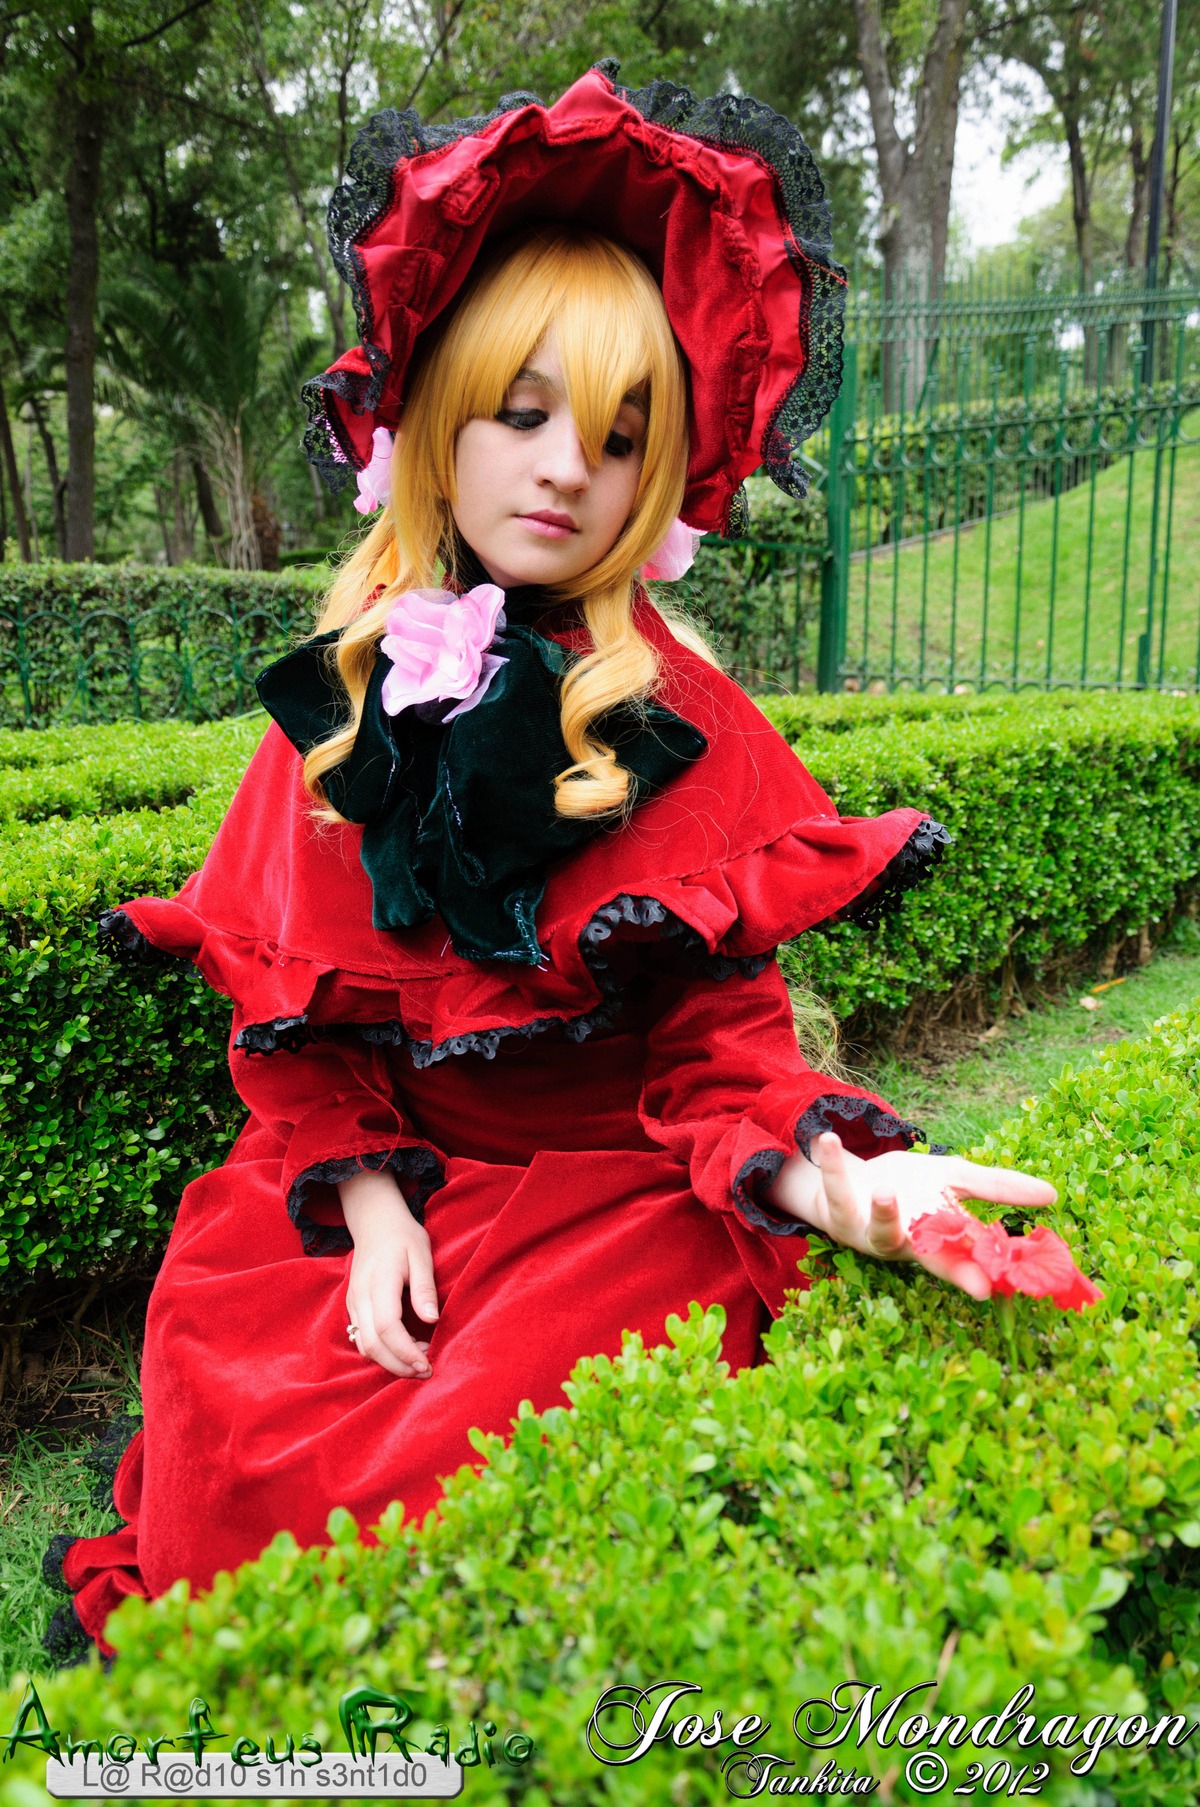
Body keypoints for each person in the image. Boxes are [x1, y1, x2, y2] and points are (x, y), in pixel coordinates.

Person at [45, 64, 1056, 1664]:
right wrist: (374, 1206)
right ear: (435, 415)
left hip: (603, 1203)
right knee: (243, 1404)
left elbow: (723, 1057)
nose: (564, 465)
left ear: (658, 476)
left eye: (615, 433)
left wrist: (840, 1187)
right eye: (521, 413)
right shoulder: (337, 708)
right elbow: (300, 1030)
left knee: (522, 1432)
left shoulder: (693, 727)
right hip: (392, 1185)